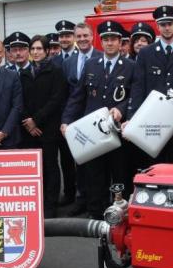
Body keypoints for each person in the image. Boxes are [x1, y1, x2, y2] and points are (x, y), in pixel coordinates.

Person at [61, 21, 133, 219]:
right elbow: (78, 96)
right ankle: (95, 215)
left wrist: (121, 109)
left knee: (119, 174)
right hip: (94, 132)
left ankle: (119, 214)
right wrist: (66, 120)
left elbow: (134, 97)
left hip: (117, 131)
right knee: (95, 175)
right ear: (101, 41)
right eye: (106, 39)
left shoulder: (130, 66)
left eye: (113, 39)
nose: (109, 43)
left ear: (120, 42)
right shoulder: (91, 64)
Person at [128, 5, 173, 165]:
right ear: (157, 26)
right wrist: (132, 118)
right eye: (163, 24)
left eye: (170, 23)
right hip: (153, 119)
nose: (166, 28)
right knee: (153, 162)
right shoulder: (146, 53)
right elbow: (138, 87)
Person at [20, 35, 68, 218]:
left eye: (39, 48)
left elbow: (56, 99)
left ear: (47, 51)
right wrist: (28, 122)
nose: (35, 52)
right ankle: (36, 202)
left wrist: (36, 120)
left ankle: (50, 205)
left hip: (48, 128)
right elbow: (19, 100)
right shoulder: (24, 72)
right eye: (33, 49)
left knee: (50, 166)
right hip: (29, 130)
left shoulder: (56, 71)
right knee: (34, 168)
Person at [59, 22, 103, 213]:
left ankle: (97, 201)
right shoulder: (68, 62)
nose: (82, 39)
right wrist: (66, 119)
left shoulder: (101, 57)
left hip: (96, 118)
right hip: (76, 120)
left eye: (86, 35)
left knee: (97, 164)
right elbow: (68, 94)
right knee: (80, 161)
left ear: (92, 36)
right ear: (75, 38)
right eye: (79, 36)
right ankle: (81, 199)